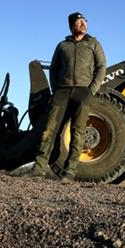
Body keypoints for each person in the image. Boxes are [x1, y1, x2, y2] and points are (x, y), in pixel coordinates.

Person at [25, 12, 106, 183]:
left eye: (84, 21)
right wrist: (56, 89)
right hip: (62, 92)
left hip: (83, 92)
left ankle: (69, 172)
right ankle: (39, 168)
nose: (83, 24)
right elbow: (54, 69)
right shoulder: (62, 46)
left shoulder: (93, 44)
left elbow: (101, 67)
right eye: (79, 22)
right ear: (71, 25)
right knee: (49, 129)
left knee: (78, 131)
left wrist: (91, 90)